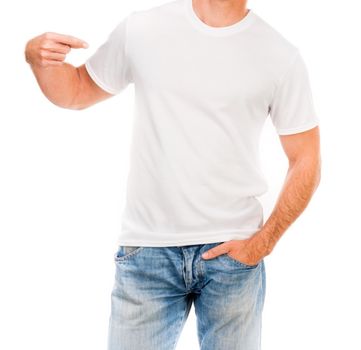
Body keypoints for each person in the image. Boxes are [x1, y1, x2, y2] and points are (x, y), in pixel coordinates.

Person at [24, 0, 321, 349]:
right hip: (148, 251)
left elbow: (307, 159)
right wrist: (37, 60)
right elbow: (75, 91)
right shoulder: (143, 29)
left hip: (233, 254)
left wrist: (262, 243)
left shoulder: (279, 54)